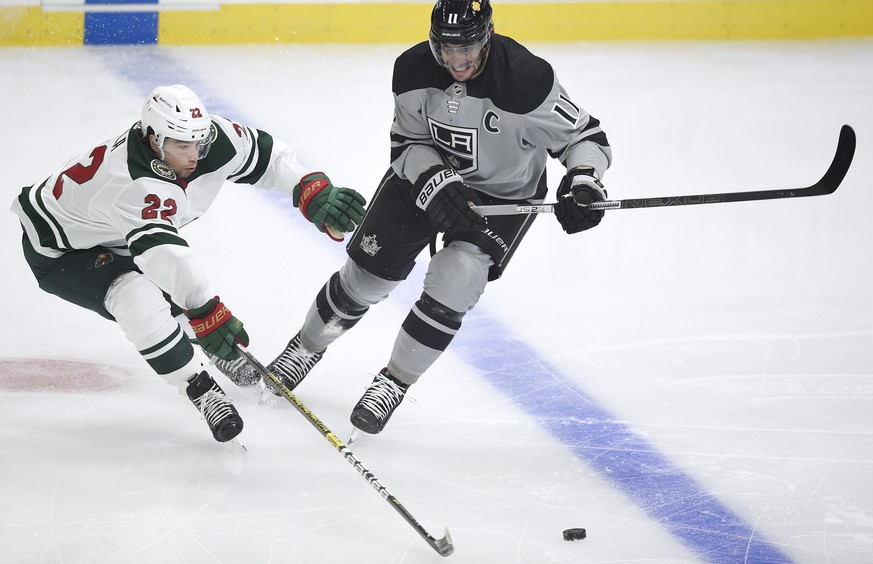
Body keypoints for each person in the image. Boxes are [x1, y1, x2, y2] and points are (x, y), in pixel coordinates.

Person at [265, 0, 612, 435]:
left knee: (456, 278)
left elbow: (585, 135)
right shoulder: (411, 70)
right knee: (366, 280)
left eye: (467, 47)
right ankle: (306, 347)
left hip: (501, 196)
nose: (457, 60)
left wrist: (583, 180)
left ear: (486, 36)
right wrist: (435, 180)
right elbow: (405, 143)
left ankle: (393, 382)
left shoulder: (527, 80)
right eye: (447, 48)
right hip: (424, 179)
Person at [10, 84, 366, 443]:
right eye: (182, 145)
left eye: (199, 142)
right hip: (62, 252)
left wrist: (307, 187)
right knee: (138, 299)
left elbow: (265, 156)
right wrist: (204, 311)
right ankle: (200, 389)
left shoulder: (209, 139)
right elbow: (165, 255)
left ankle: (207, 349)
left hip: (119, 233)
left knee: (182, 302)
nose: (195, 155)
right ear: (152, 139)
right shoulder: (131, 182)